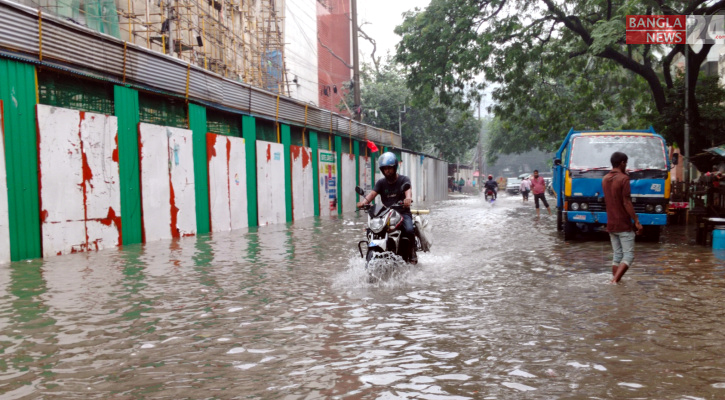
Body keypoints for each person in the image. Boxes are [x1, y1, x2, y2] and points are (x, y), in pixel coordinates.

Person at [357, 152, 417, 264]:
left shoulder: (404, 180)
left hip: (402, 212)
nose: (387, 171)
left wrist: (408, 199)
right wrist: (364, 202)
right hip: (386, 213)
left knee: (409, 229)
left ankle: (412, 252)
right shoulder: (381, 183)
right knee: (371, 229)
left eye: (389, 168)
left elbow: (408, 191)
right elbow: (372, 194)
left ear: (394, 168)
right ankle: (372, 251)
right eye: (385, 169)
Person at [602, 152, 643, 284]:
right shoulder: (624, 179)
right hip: (623, 223)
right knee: (629, 256)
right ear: (622, 163)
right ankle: (614, 281)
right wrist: (636, 221)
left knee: (617, 255)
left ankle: (617, 284)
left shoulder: (605, 179)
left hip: (611, 223)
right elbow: (626, 202)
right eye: (626, 163)